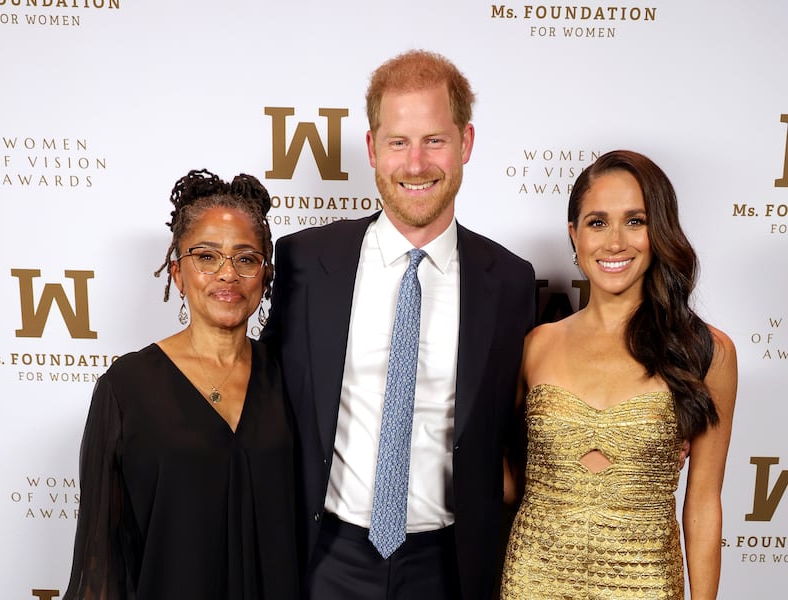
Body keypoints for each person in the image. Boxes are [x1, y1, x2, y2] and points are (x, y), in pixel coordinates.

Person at [261, 50, 536, 600]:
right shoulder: (302, 262)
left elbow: (524, 429)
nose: (416, 164)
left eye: (434, 140)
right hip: (324, 557)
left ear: (466, 143)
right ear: (371, 148)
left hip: (450, 567)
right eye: (398, 142)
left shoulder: (509, 281)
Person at [500, 150, 737, 599]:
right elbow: (509, 479)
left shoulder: (707, 352)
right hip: (534, 579)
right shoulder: (536, 345)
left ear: (659, 230)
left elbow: (704, 503)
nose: (614, 242)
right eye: (596, 222)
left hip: (646, 582)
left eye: (634, 221)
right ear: (574, 235)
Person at [64, 169, 298, 599]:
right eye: (207, 256)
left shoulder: (293, 379)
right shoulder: (126, 388)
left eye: (246, 258)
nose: (227, 274)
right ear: (177, 272)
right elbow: (103, 557)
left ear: (265, 277)